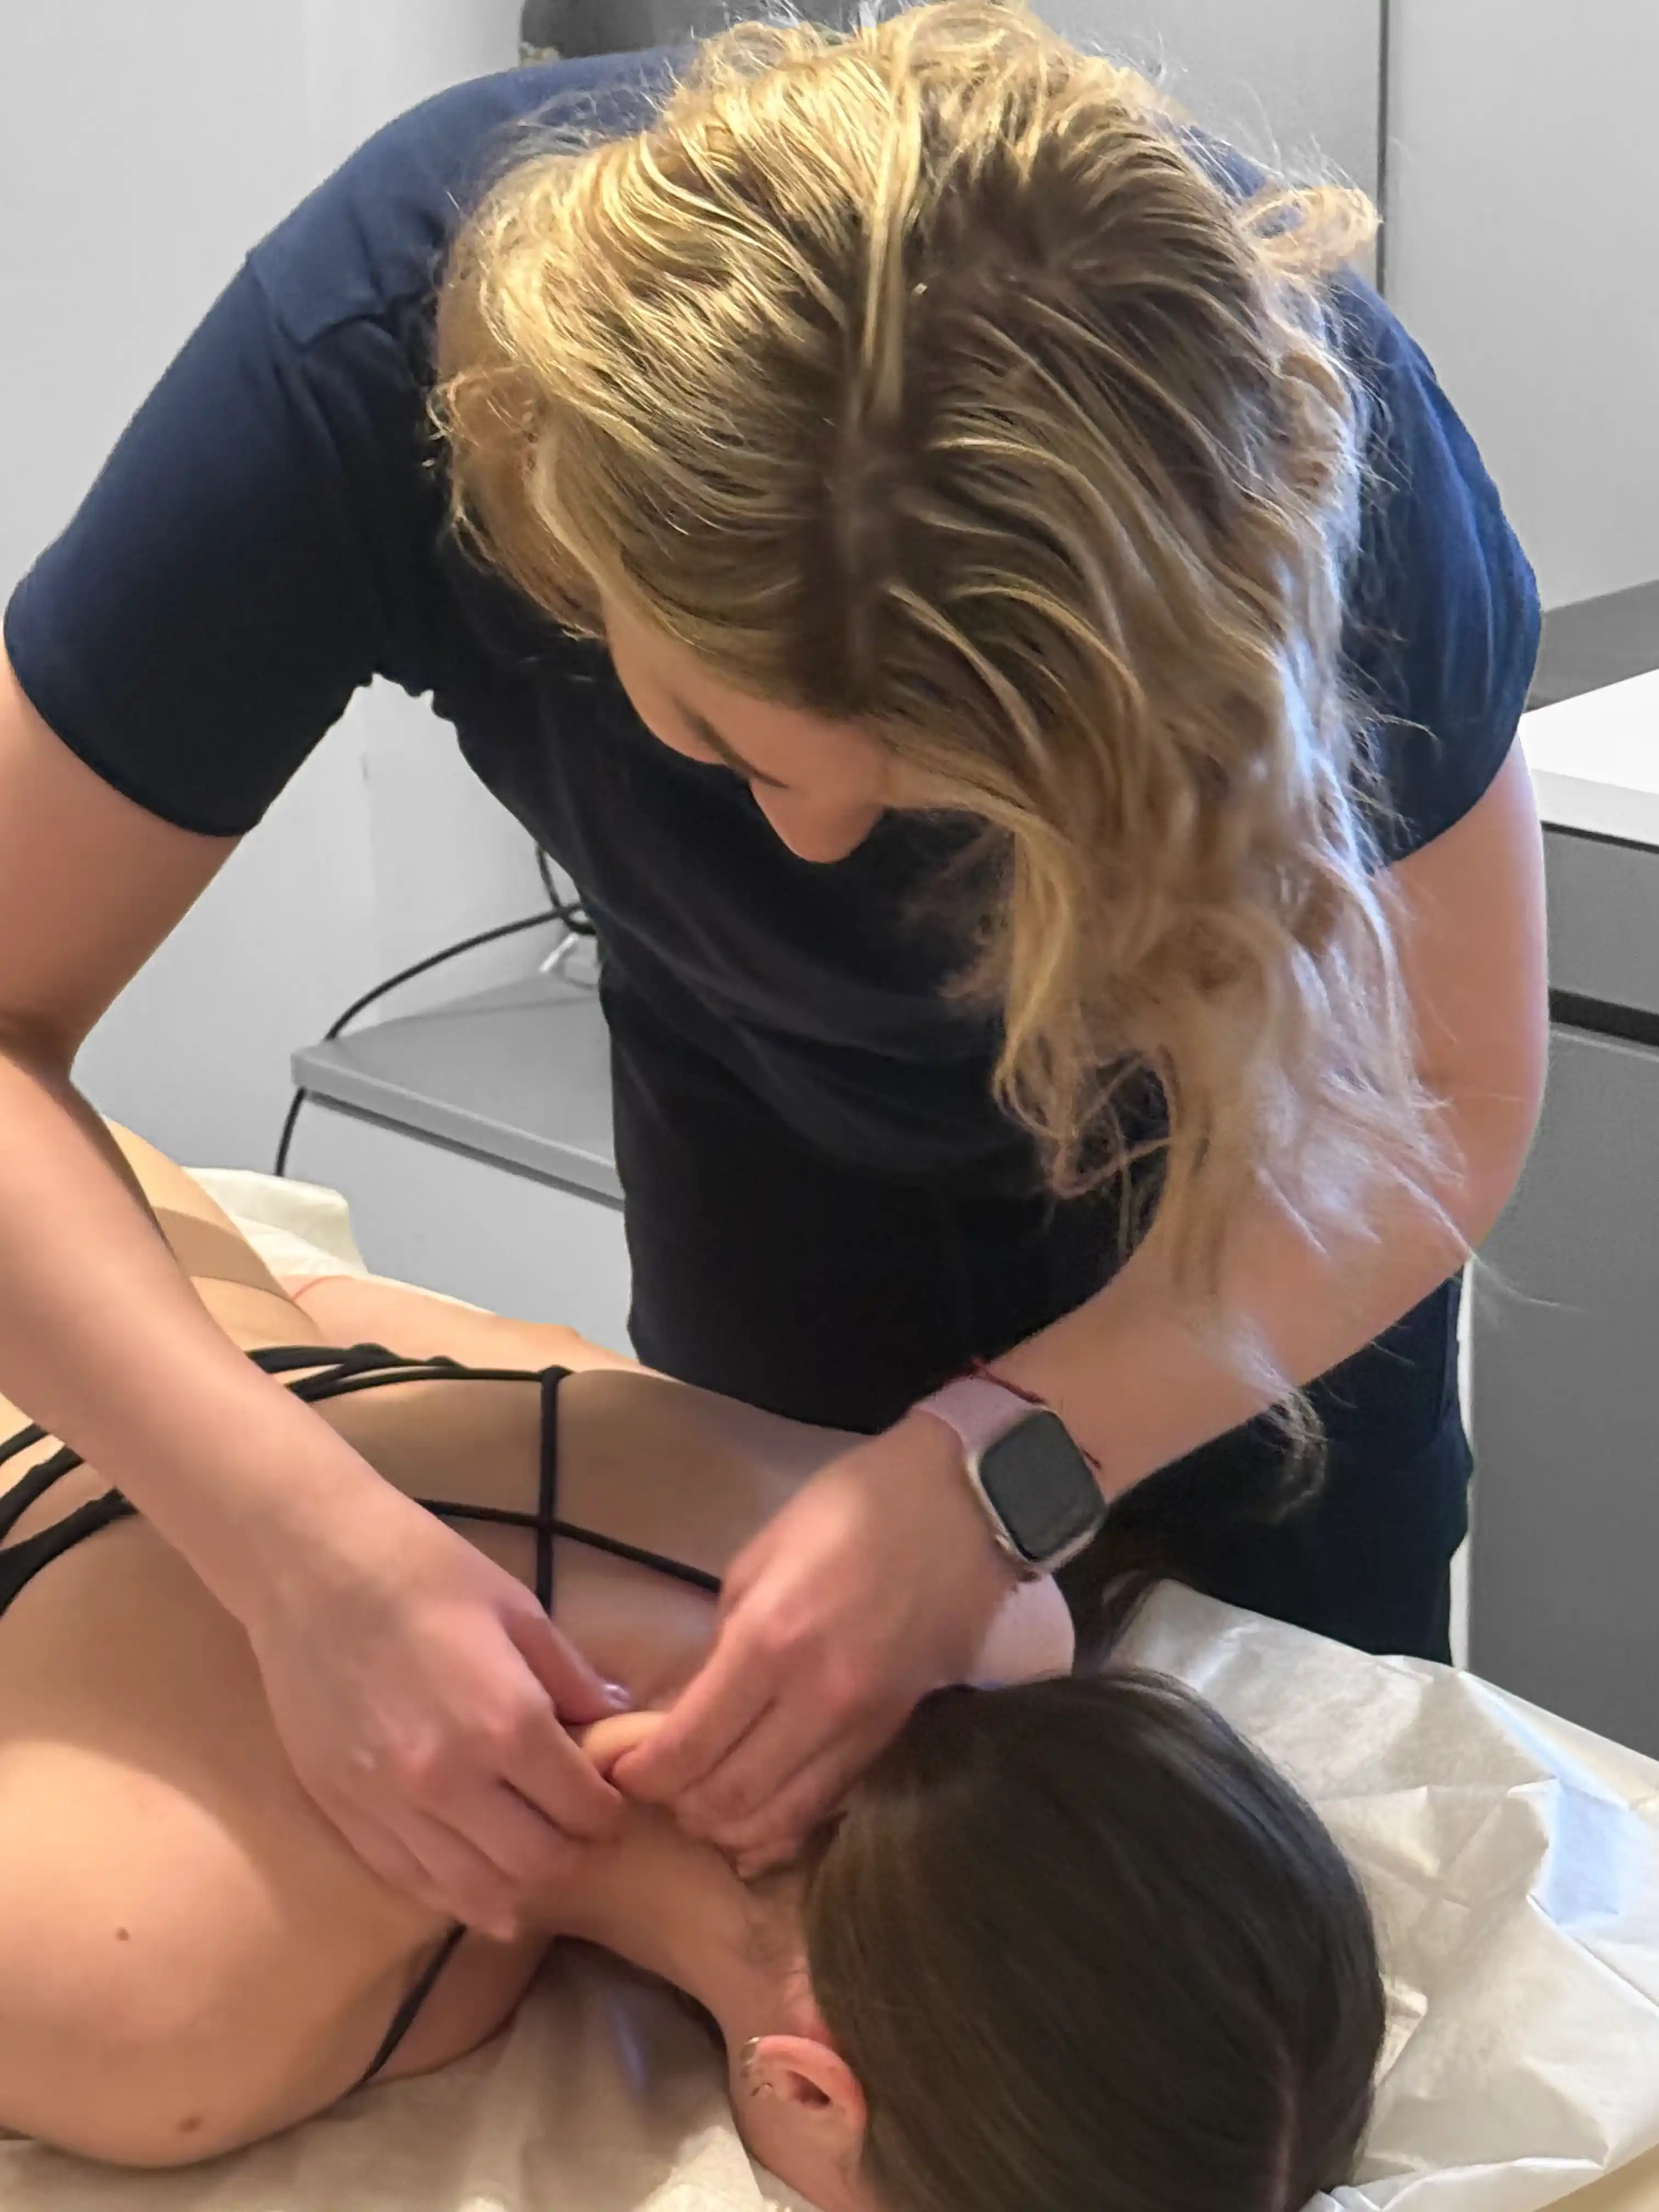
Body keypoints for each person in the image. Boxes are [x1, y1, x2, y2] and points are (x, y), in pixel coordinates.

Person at [0, 1, 1547, 1932]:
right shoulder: (366, 367)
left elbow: (1442, 1089)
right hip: (777, 1178)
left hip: (1261, 1218)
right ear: (550, 518)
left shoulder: (1299, 469)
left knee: (1265, 1903)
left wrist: (1003, 1467)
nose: (827, 852)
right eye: (723, 750)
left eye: (965, 799)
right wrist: (295, 1545)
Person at [0, 1126, 1384, 2212]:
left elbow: (428, 1332)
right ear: (814, 2092)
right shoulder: (174, 2008)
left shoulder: (993, 1617)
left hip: (123, 1209)